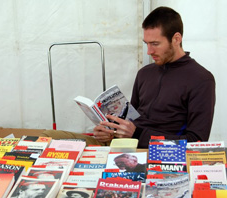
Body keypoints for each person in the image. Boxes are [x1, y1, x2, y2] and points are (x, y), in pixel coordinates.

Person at [41, 6, 215, 148]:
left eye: (155, 44)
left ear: (176, 39)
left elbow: (196, 142)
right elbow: (132, 120)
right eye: (146, 44)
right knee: (46, 139)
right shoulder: (145, 73)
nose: (149, 51)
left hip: (153, 152)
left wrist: (137, 134)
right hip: (119, 144)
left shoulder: (201, 79)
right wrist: (110, 130)